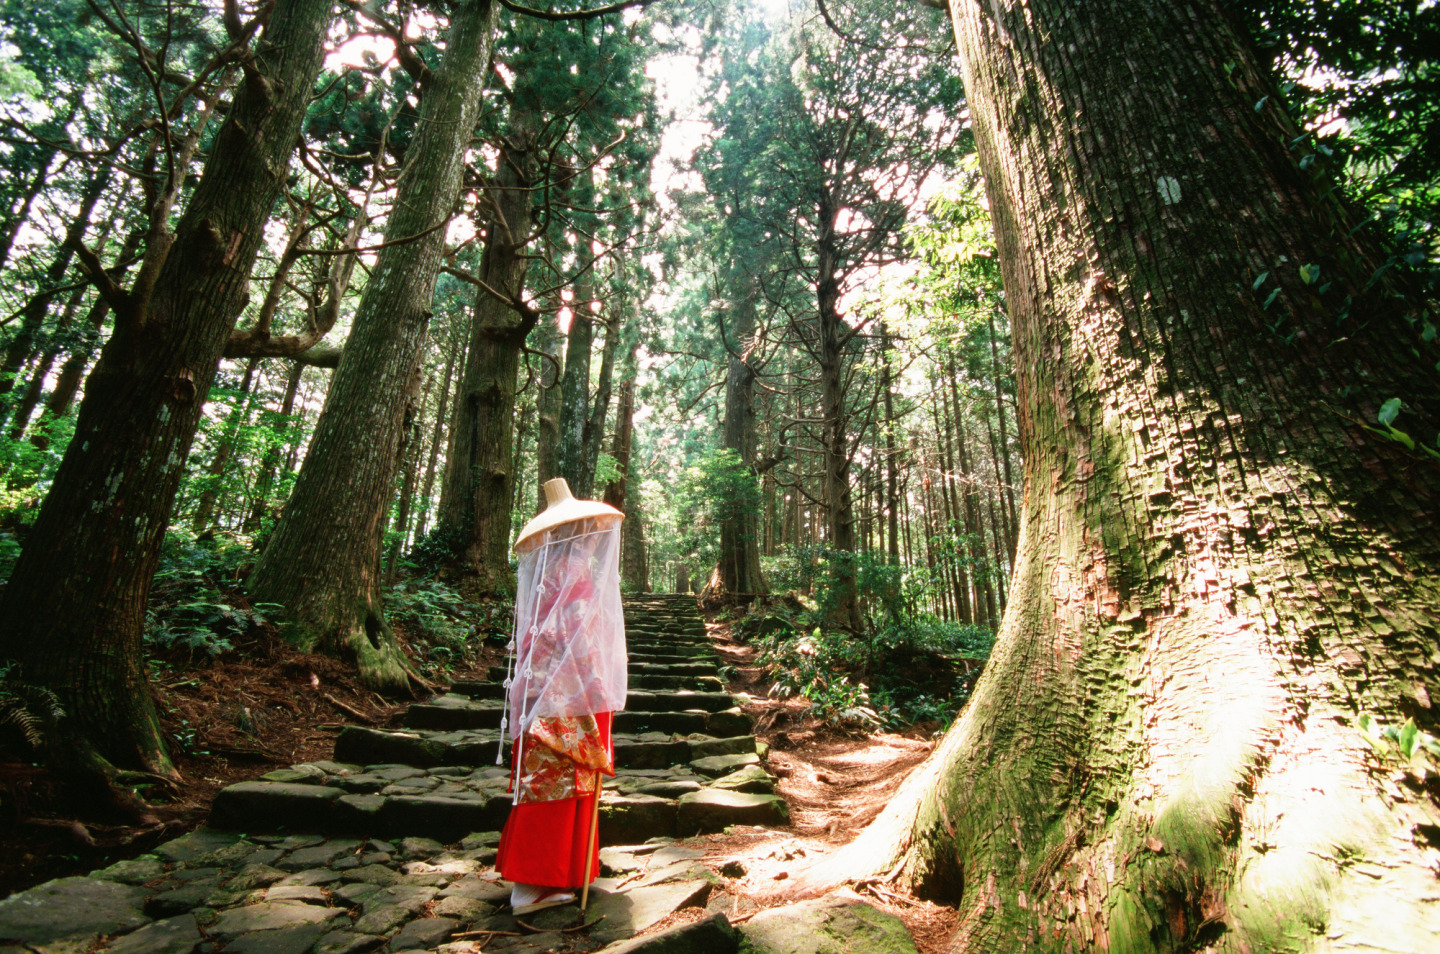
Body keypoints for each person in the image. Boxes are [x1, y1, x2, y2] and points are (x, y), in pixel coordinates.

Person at [495, 478, 626, 914]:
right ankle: (534, 884)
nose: (591, 539)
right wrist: (599, 685)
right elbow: (579, 637)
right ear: (577, 533)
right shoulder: (573, 572)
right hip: (568, 695)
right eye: (587, 531)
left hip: (542, 690)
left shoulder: (549, 569)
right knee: (559, 784)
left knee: (546, 783)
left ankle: (548, 878)